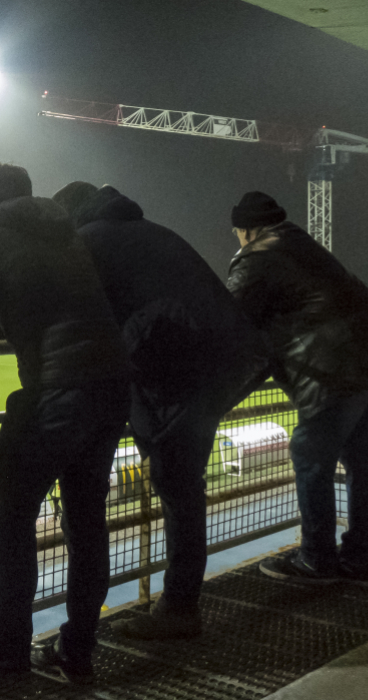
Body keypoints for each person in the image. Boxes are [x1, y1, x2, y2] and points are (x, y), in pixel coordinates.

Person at [0, 163, 128, 684]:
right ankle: (77, 652)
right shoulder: (66, 232)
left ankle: (11, 646)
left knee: (13, 513)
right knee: (86, 520)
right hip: (111, 386)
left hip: (57, 390)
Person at [52, 182, 266, 639]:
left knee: (178, 486)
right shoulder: (145, 231)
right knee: (181, 485)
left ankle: (179, 610)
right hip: (217, 363)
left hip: (187, 371)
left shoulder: (89, 241)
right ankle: (179, 604)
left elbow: (74, 316)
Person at [224, 191, 368, 586]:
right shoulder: (304, 246)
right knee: (364, 465)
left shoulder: (256, 257)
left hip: (338, 368)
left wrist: (219, 397)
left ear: (246, 230)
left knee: (310, 454)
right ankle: (360, 561)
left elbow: (232, 330)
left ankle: (316, 560)